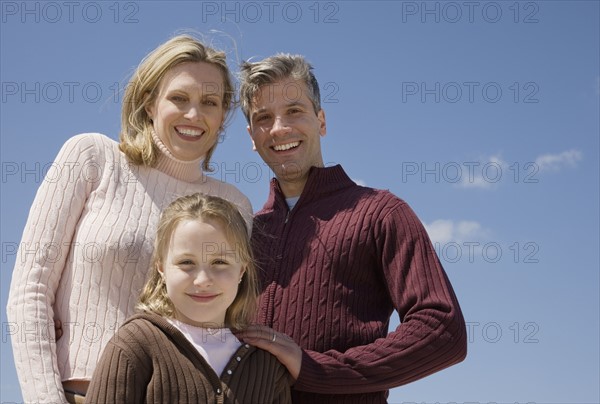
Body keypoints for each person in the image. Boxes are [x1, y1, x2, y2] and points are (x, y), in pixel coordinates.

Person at [6, 34, 253, 404]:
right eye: (179, 98)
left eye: (210, 102)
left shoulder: (234, 204)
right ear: (149, 103)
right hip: (80, 393)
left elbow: (230, 319)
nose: (194, 114)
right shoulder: (91, 157)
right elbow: (30, 290)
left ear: (222, 116)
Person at [236, 54, 468, 403]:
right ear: (252, 136)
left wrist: (314, 368)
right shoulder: (243, 232)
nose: (280, 128)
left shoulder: (381, 212)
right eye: (263, 118)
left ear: (321, 120)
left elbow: (443, 330)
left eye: (295, 111)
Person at [85, 192, 291, 403]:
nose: (202, 280)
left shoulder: (265, 362)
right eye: (186, 263)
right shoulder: (134, 345)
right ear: (161, 268)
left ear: (241, 271)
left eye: (220, 262)